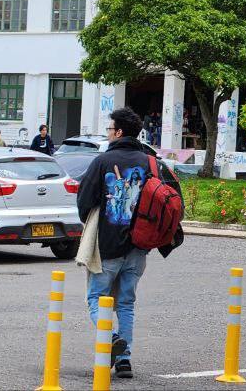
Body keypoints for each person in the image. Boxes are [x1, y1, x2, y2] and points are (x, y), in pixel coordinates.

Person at [75, 107, 183, 380]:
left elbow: (84, 202)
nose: (109, 134)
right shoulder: (150, 162)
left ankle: (110, 340)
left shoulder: (102, 161)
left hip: (108, 245)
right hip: (140, 244)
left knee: (96, 298)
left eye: (110, 130)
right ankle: (124, 361)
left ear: (119, 132)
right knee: (126, 303)